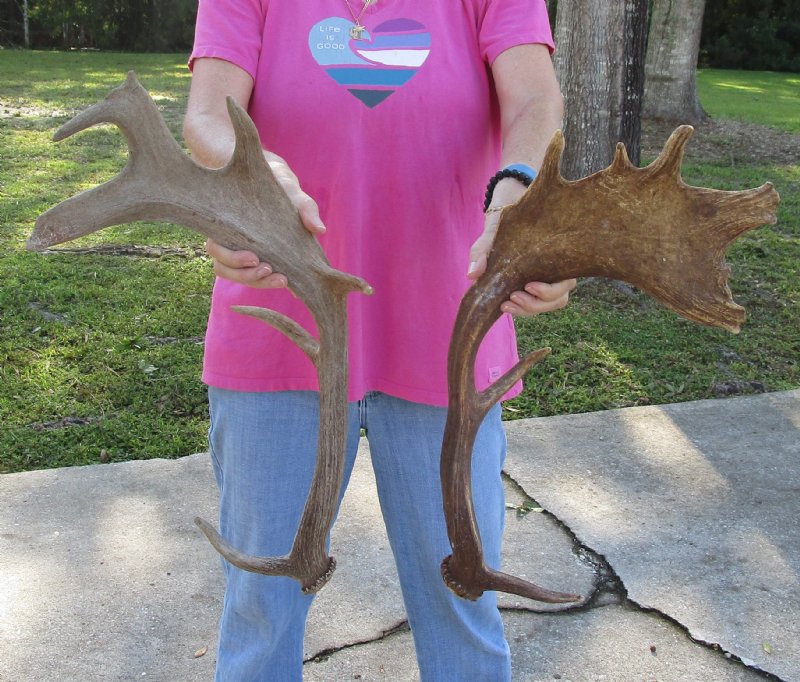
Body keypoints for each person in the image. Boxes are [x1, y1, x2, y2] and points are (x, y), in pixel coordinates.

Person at [183, 1, 575, 679]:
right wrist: (257, 179)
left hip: (447, 339)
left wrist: (523, 196)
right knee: (262, 607)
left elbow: (535, 100)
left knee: (463, 598)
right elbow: (209, 116)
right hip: (281, 326)